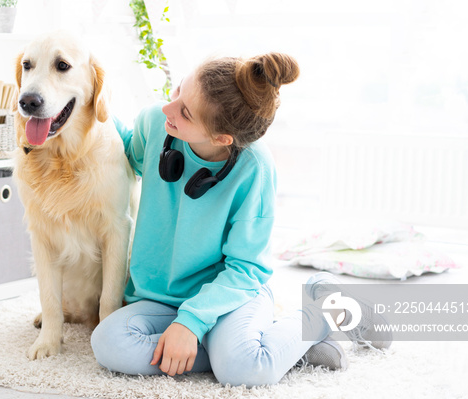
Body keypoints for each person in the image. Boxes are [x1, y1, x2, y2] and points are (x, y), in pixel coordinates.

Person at [90, 52, 391, 386]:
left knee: (245, 370)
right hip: (159, 298)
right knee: (109, 343)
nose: (168, 109)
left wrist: (192, 322)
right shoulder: (154, 124)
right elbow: (126, 152)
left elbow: (246, 269)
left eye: (185, 112)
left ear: (222, 139)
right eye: (177, 92)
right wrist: (85, 107)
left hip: (230, 296)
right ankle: (275, 346)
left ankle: (322, 310)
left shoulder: (255, 169)